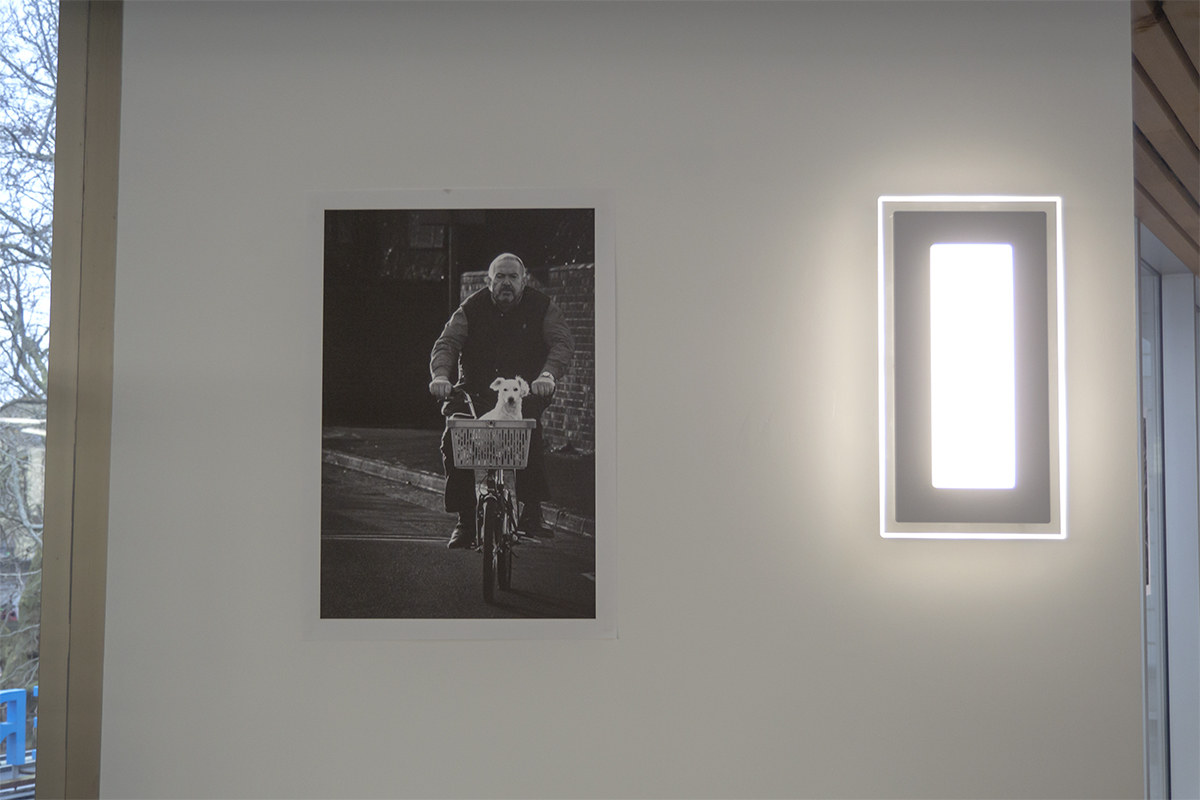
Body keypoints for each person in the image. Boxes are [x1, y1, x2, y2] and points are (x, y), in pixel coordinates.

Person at [429, 253, 575, 548]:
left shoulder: (542, 307)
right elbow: (447, 343)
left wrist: (547, 376)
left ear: (524, 281)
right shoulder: (470, 308)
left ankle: (531, 511)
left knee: (529, 428)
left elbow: (561, 341)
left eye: (513, 277)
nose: (506, 283)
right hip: (473, 392)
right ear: (489, 281)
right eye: (500, 277)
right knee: (457, 436)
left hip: (522, 392)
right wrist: (442, 377)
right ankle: (466, 520)